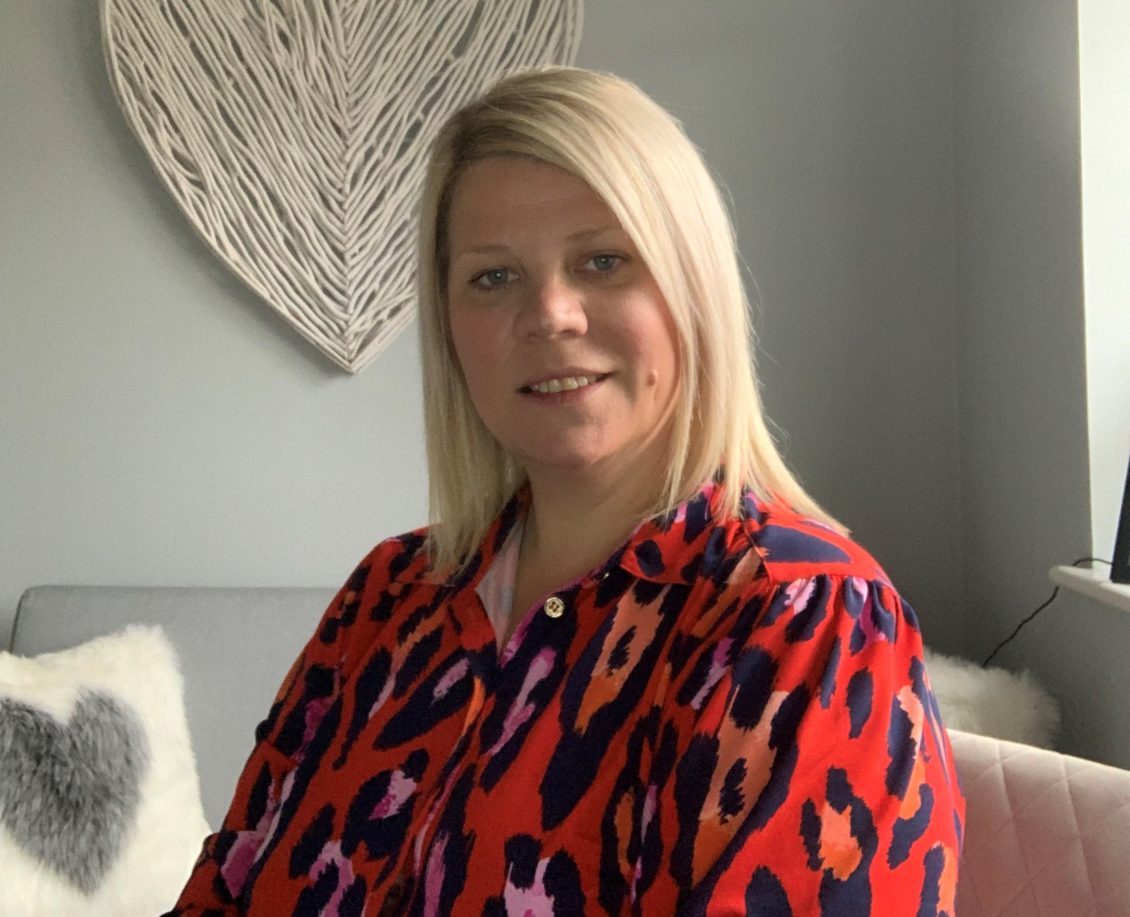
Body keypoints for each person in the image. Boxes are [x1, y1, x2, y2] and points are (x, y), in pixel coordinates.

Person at [169, 68, 963, 916]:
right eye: (493, 277)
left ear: (693, 291)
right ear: (450, 329)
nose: (551, 313)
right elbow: (226, 887)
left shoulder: (802, 621)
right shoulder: (387, 597)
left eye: (603, 261)